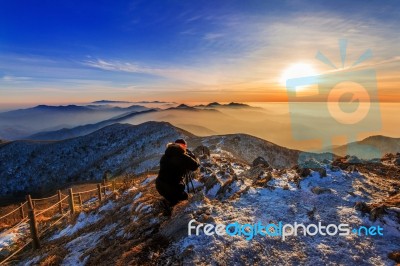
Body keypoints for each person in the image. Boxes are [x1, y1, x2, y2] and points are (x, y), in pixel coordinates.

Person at [156, 139, 199, 207]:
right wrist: (191, 156)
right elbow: (195, 166)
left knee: (172, 197)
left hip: (160, 186)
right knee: (184, 198)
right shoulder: (181, 156)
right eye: (184, 146)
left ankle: (167, 202)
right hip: (172, 188)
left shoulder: (165, 155)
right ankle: (169, 207)